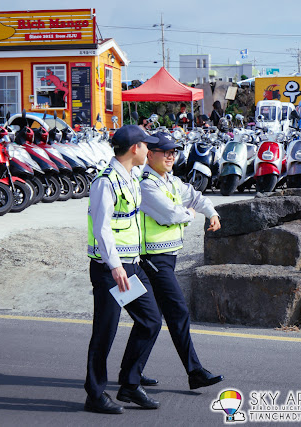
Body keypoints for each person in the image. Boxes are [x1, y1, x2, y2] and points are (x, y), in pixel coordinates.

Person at [84, 125, 163, 414]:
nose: (149, 151)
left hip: (131, 265)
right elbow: (102, 228)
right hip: (111, 270)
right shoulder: (106, 182)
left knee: (150, 321)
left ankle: (129, 384)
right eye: (146, 146)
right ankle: (94, 394)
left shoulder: (129, 176)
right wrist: (115, 266)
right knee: (105, 331)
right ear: (134, 149)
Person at [138, 132, 224, 391]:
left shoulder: (170, 181)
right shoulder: (146, 184)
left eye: (173, 151)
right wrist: (190, 214)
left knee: (150, 320)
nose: (170, 155)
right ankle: (194, 371)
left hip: (168, 258)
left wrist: (212, 212)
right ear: (149, 154)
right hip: (151, 259)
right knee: (177, 313)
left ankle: (131, 372)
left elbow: (196, 196)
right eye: (164, 151)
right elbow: (170, 214)